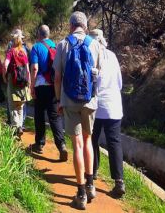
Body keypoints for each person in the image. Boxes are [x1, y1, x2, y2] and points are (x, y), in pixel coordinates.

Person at [53, 11, 101, 210]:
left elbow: (57, 78)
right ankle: (91, 186)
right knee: (89, 140)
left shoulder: (63, 45)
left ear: (71, 25)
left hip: (70, 100)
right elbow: (98, 74)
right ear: (85, 26)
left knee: (77, 144)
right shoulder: (95, 44)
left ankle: (80, 193)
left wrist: (58, 99)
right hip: (90, 100)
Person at [89, 29, 125, 198]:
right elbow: (119, 83)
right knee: (114, 143)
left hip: (96, 106)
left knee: (92, 139)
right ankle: (119, 181)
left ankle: (93, 170)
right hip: (114, 105)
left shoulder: (91, 56)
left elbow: (91, 84)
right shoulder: (112, 55)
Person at [29, 25, 68, 161]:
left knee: (39, 115)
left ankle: (39, 143)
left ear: (39, 34)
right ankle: (61, 145)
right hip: (53, 85)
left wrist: (32, 86)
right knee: (54, 116)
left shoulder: (36, 47)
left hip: (40, 85)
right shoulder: (55, 47)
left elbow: (34, 68)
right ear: (49, 34)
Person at [3, 32, 31, 137]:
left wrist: (4, 76)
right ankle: (20, 125)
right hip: (23, 81)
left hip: (13, 80)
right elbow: (27, 69)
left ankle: (15, 127)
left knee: (12, 105)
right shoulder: (24, 52)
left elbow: (5, 65)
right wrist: (29, 82)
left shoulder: (11, 52)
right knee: (20, 105)